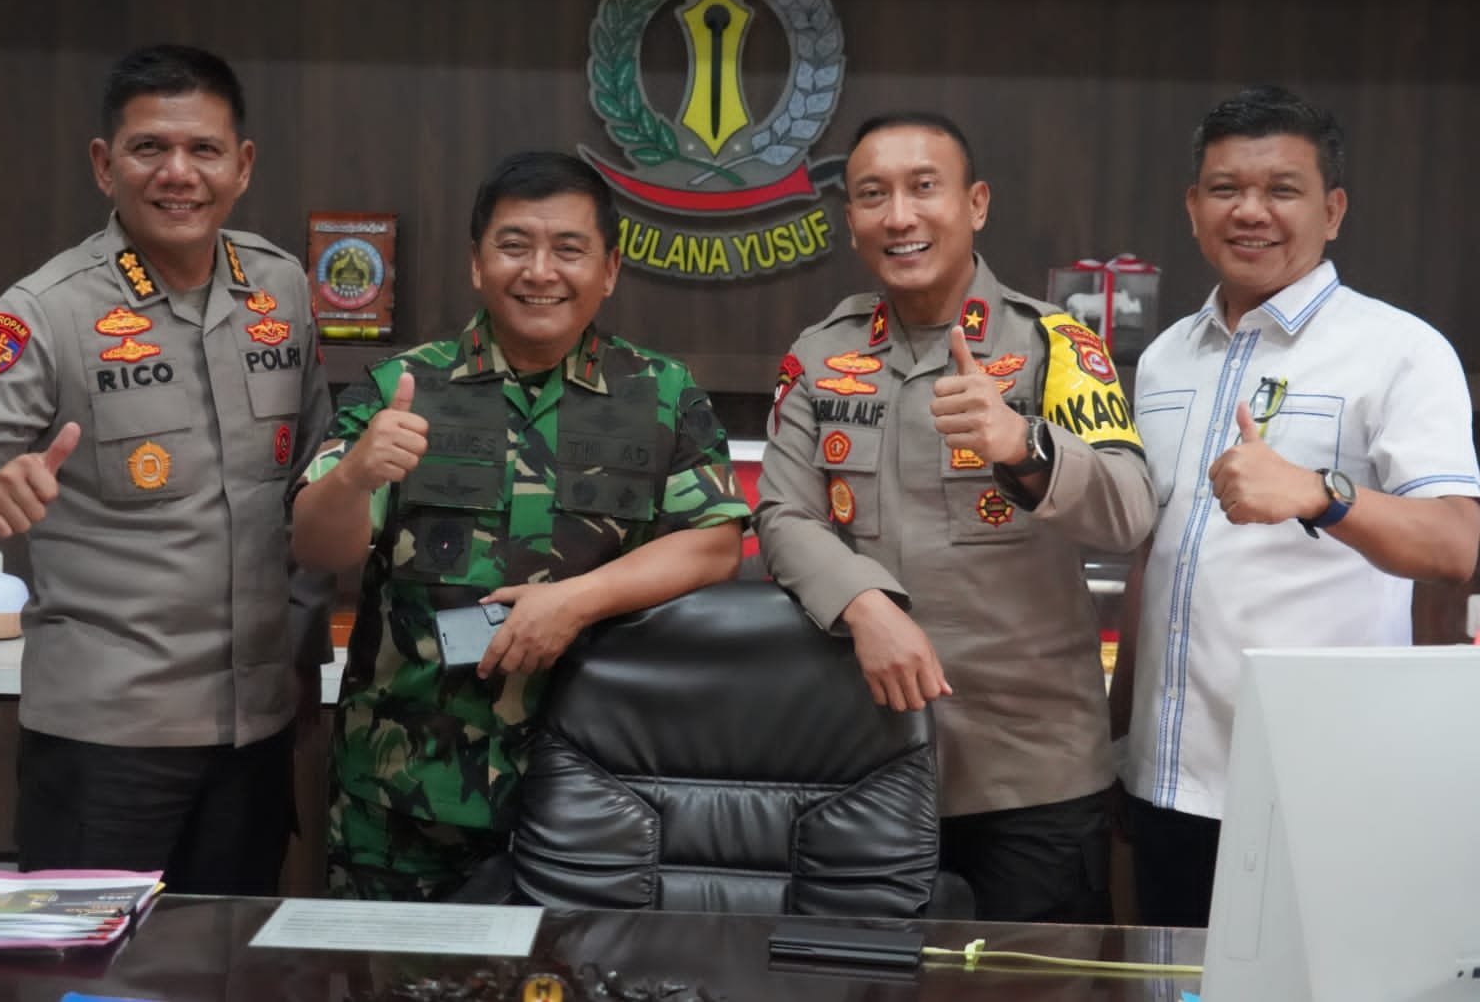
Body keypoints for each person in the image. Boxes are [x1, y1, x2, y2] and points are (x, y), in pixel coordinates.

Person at [0, 44, 333, 895]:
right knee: (90, 964)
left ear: (243, 165)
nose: (179, 173)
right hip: (104, 745)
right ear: (105, 165)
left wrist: (304, 657)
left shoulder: (280, 289)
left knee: (231, 958)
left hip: (255, 735)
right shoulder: (46, 311)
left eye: (204, 149)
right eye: (149, 148)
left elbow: (316, 484)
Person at [290, 150, 749, 901]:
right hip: (405, 796)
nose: (540, 271)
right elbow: (315, 543)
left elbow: (716, 543)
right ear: (477, 263)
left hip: (598, 793)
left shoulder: (661, 393)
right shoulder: (403, 386)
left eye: (569, 248)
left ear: (609, 270)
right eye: (514, 246)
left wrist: (575, 601)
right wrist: (353, 476)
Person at [754, 111, 1155, 923]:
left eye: (923, 187)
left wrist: (1023, 444)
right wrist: (864, 603)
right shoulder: (822, 354)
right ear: (852, 220)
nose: (899, 215)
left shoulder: (1054, 344)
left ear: (976, 204)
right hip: (862, 757)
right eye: (874, 195)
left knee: (1036, 981)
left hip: (1032, 775)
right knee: (860, 978)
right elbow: (783, 513)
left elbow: (1130, 511)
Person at [1111, 85, 1480, 927]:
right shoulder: (1163, 359)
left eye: (1282, 189)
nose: (1251, 211)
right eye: (1226, 189)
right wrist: (1118, 741)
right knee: (1166, 982)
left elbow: (1457, 543)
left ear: (1333, 210)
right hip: (1164, 783)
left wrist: (1320, 494)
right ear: (1193, 207)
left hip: (1319, 790)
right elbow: (1153, 559)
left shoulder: (1399, 351)